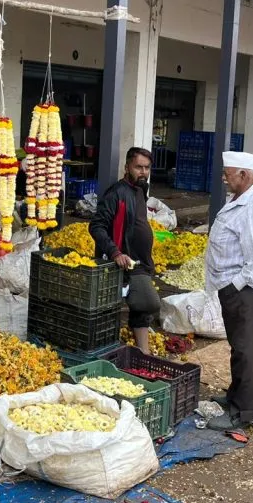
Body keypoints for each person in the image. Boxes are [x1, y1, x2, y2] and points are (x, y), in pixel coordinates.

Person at [203, 152, 253, 432]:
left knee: (247, 350)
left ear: (244, 175)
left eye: (228, 173)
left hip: (244, 289)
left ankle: (242, 412)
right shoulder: (238, 198)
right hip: (231, 286)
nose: (224, 178)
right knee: (238, 346)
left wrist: (235, 286)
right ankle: (234, 396)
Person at [89, 147, 162, 356]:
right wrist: (115, 253)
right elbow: (96, 226)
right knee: (148, 302)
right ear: (127, 167)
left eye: (147, 168)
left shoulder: (140, 189)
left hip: (141, 260)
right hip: (125, 261)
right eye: (138, 167)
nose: (143, 172)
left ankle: (143, 352)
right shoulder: (116, 193)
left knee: (142, 309)